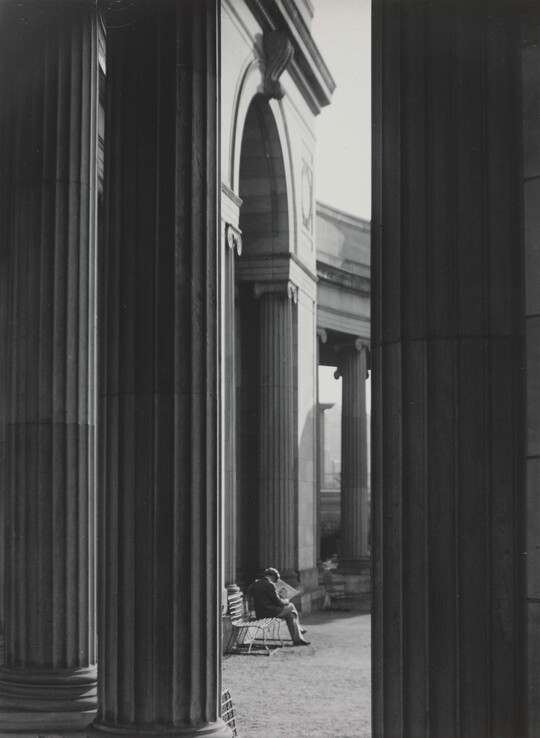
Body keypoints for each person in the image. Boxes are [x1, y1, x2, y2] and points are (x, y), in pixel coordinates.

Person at [249, 567, 310, 646]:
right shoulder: (270, 585)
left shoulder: (256, 583)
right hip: (269, 612)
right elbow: (278, 602)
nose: (275, 582)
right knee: (291, 605)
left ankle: (297, 639)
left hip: (260, 612)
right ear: (273, 577)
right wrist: (286, 600)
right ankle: (300, 628)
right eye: (275, 580)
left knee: (290, 615)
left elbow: (261, 596)